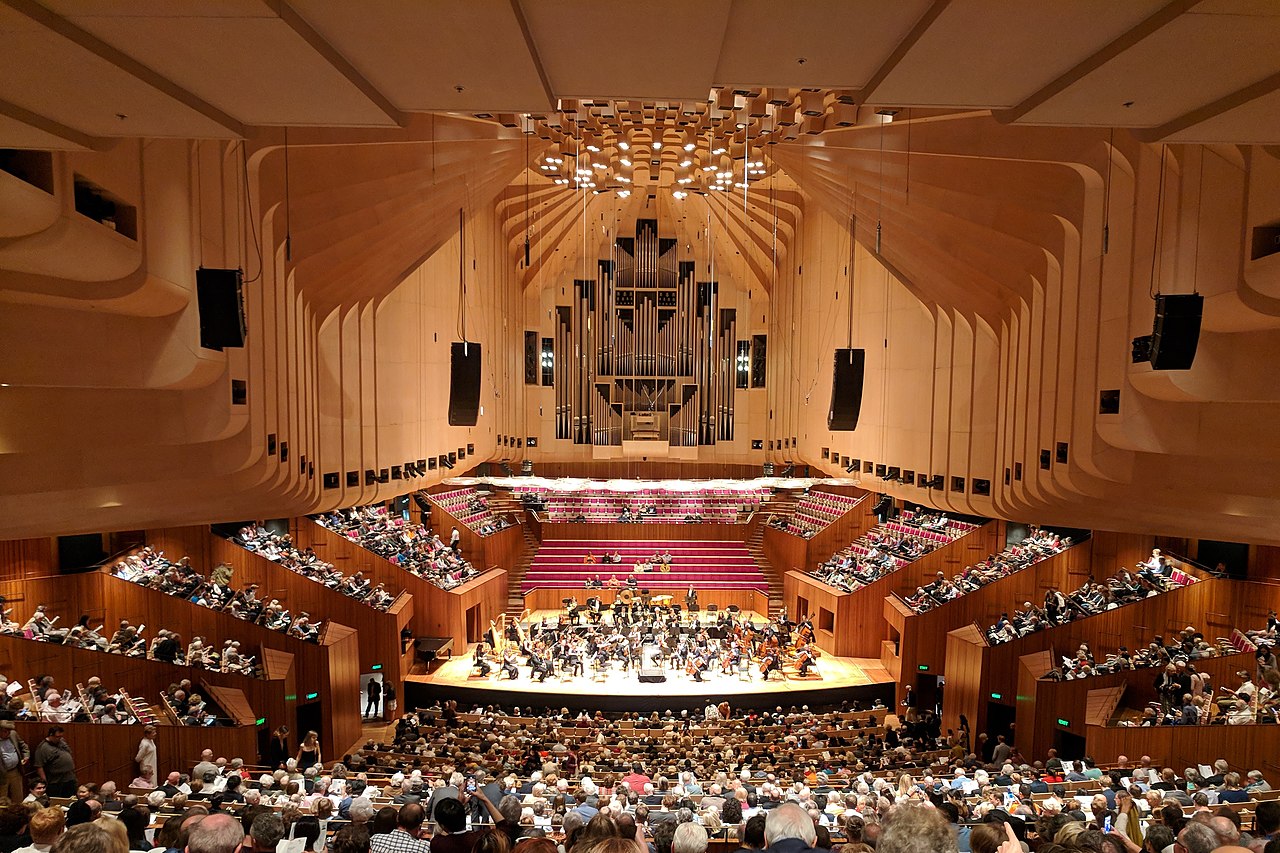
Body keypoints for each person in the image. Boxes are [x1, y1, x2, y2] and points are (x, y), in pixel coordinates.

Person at [31, 728, 76, 798]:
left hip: (69, 777)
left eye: (61, 736)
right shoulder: (43, 747)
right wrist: (44, 782)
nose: (60, 738)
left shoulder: (61, 742)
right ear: (51, 735)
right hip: (56, 781)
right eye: (58, 737)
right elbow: (39, 766)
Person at [0, 722, 28, 807]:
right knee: (2, 800)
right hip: (1, 774)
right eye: (6, 731)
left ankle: (18, 817)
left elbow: (23, 746)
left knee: (18, 798)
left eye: (9, 731)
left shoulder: (13, 734)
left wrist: (26, 756)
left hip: (15, 771)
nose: (8, 733)